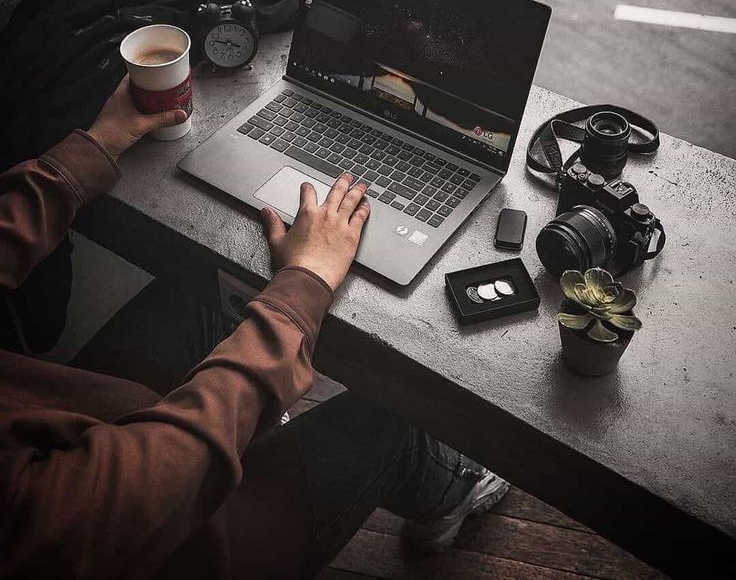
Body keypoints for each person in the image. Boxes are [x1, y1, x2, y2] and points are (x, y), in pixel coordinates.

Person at [0, 78, 509, 579]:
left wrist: (94, 147)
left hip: (65, 416)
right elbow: (148, 486)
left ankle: (263, 411)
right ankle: (455, 490)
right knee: (394, 410)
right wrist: (304, 283)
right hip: (188, 540)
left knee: (201, 286)